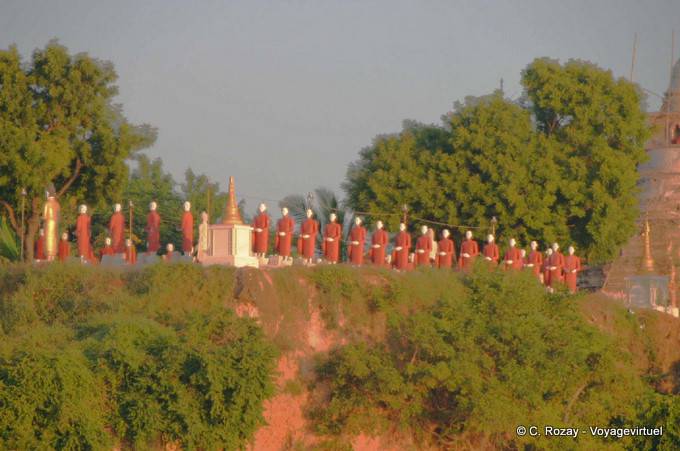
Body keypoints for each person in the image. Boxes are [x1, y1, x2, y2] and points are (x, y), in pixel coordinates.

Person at [42, 188, 60, 261]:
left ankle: (49, 254)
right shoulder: (57, 204)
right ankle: (53, 254)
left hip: (49, 222)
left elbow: (44, 215)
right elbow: (58, 215)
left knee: (49, 237)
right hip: (55, 222)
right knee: (54, 237)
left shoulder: (47, 204)